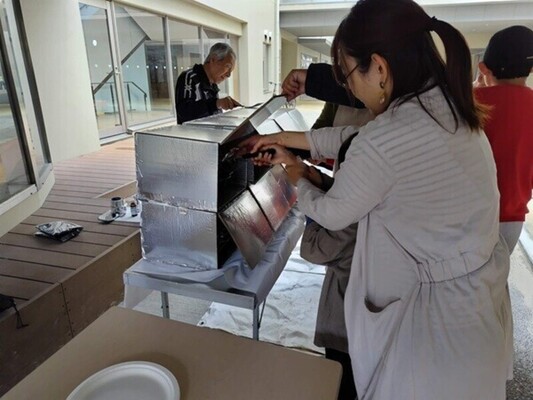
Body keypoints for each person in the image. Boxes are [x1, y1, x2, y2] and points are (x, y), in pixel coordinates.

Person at [245, 0, 512, 399]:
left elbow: (332, 212)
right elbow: (355, 139)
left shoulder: (389, 136)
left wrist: (295, 172)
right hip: (475, 308)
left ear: (380, 69)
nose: (349, 88)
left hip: (433, 330)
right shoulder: (444, 108)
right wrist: (283, 139)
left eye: (348, 74)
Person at [475, 25, 533, 252]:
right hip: (512, 217)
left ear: (482, 68)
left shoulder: (471, 101)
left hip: (470, 213)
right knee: (498, 271)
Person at [175, 42, 240, 124]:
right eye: (227, 67)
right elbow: (184, 113)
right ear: (213, 59)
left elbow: (213, 115)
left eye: (231, 70)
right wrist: (217, 103)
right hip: (192, 132)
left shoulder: (212, 84)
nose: (229, 74)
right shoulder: (190, 78)